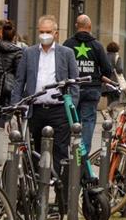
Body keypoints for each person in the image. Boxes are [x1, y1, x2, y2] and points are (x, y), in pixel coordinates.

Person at [12, 15, 79, 178]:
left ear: (56, 33)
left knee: (60, 150)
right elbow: (20, 81)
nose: (44, 35)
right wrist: (15, 107)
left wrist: (71, 107)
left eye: (48, 31)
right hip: (36, 109)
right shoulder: (28, 53)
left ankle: (59, 189)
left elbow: (75, 82)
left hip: (59, 110)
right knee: (35, 150)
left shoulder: (67, 53)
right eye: (41, 31)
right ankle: (38, 188)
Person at [63, 15, 113, 152]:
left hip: (73, 90)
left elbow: (61, 67)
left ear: (76, 25)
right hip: (92, 89)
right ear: (90, 27)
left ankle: (72, 150)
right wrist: (100, 77)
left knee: (73, 120)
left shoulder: (68, 44)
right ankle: (84, 152)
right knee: (89, 121)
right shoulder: (97, 45)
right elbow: (107, 69)